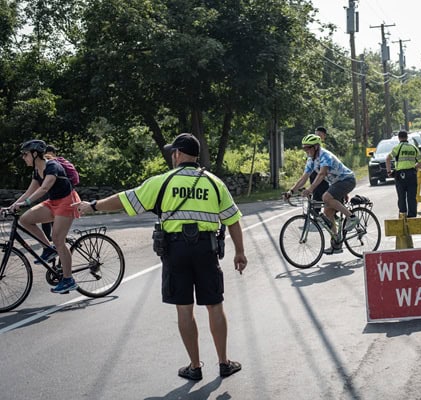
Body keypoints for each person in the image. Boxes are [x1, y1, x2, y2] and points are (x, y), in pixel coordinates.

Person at [74, 133, 247, 381]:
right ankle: (224, 363)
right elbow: (232, 220)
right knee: (214, 305)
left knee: (184, 309)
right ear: (196, 156)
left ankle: (195, 366)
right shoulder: (214, 183)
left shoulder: (162, 181)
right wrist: (240, 252)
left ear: (177, 154)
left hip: (175, 251)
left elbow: (124, 200)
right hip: (206, 250)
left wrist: (93, 206)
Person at [3, 139, 80, 293]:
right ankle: (48, 249)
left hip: (67, 202)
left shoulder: (52, 166)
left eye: (25, 154)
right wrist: (12, 205)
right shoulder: (37, 171)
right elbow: (29, 192)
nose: (23, 157)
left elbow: (45, 188)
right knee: (25, 219)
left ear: (35, 153)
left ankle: (68, 279)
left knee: (58, 239)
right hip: (53, 202)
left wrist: (27, 203)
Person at [285, 134, 359, 254]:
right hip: (336, 183)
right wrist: (291, 191)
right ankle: (336, 244)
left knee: (326, 197)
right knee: (327, 212)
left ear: (316, 147)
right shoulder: (311, 159)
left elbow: (322, 174)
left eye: (308, 148)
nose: (306, 151)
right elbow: (304, 177)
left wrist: (310, 189)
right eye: (304, 148)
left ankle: (352, 218)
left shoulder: (325, 156)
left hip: (347, 180)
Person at [385, 130, 421, 217]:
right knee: (412, 197)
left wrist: (389, 172)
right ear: (407, 137)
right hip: (412, 175)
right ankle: (412, 217)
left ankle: (403, 215)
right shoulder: (414, 148)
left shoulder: (397, 148)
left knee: (401, 197)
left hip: (400, 175)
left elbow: (388, 159)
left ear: (399, 138)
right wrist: (414, 167)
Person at [309, 127, 330, 207]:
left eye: (319, 135)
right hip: (314, 177)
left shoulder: (324, 150)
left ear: (324, 136)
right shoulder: (311, 147)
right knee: (315, 203)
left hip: (323, 178)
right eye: (316, 134)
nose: (317, 137)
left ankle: (333, 216)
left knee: (326, 201)